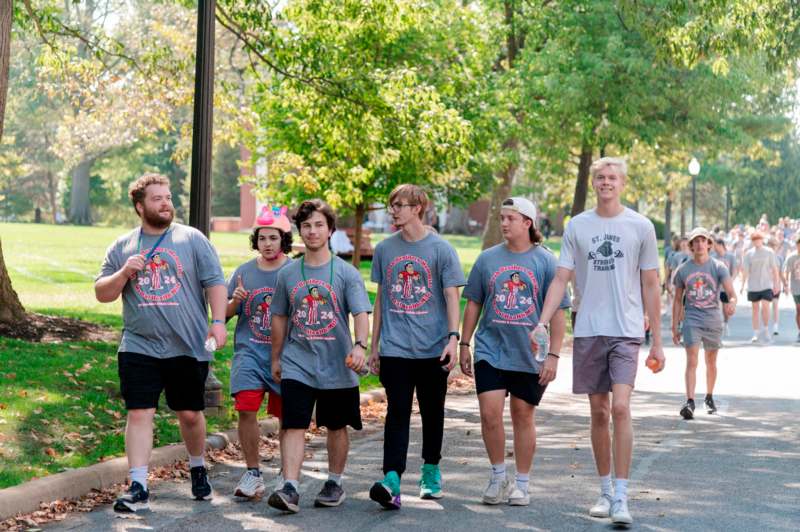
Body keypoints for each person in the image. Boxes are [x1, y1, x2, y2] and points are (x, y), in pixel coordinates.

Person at [536, 157, 664, 526]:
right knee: (599, 412)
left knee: (621, 407)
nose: (606, 182)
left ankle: (622, 496)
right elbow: (561, 279)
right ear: (594, 183)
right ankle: (605, 490)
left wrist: (655, 340)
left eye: (612, 177)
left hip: (625, 329)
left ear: (623, 183)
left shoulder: (640, 226)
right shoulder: (578, 226)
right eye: (600, 178)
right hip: (589, 327)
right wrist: (542, 322)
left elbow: (651, 283)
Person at [95, 173, 227, 513]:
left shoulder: (192, 239)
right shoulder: (123, 246)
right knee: (139, 412)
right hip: (138, 345)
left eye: (168, 197)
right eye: (157, 198)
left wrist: (217, 322)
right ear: (140, 206)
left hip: (187, 345)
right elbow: (102, 293)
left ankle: (197, 465)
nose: (166, 203)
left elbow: (214, 281)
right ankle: (138, 484)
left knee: (190, 414)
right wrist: (124, 272)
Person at [459, 197, 569, 507]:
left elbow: (559, 312)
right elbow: (475, 303)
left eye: (510, 218)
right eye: (502, 218)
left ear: (527, 223)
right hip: (491, 349)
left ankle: (522, 483)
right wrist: (465, 343)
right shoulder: (487, 260)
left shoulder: (546, 262)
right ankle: (497, 476)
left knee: (523, 415)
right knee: (489, 414)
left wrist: (554, 356)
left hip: (530, 353)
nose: (503, 223)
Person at [267, 199, 372, 514]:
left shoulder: (345, 272)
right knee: (293, 424)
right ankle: (290, 487)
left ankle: (334, 481)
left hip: (338, 364)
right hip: (299, 361)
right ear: (299, 231)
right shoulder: (288, 274)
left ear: (329, 230)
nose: (312, 231)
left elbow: (361, 312)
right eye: (306, 226)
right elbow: (280, 318)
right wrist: (276, 358)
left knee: (336, 426)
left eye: (318, 225)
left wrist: (360, 345)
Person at [367, 184, 465, 509]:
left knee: (432, 411)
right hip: (395, 348)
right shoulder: (385, 249)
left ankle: (431, 470)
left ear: (418, 208)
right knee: (396, 412)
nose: (393, 210)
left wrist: (454, 337)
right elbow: (381, 298)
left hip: (433, 348)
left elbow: (453, 295)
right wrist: (373, 345)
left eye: (400, 205)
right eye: (392, 205)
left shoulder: (441, 249)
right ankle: (391, 479)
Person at [225, 205, 294, 499]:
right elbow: (224, 315)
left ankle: (285, 473)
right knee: (246, 409)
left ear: (283, 240)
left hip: (285, 356)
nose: (267, 243)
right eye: (262, 238)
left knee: (287, 419)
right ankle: (253, 472)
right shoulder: (244, 272)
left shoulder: (293, 271)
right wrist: (234, 301)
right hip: (249, 353)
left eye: (273, 238)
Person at [672, 228, 736, 419]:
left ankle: (709, 396)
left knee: (711, 362)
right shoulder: (683, 270)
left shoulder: (718, 267)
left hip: (713, 319)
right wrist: (675, 325)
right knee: (692, 360)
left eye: (703, 240)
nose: (699, 244)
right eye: (695, 241)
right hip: (692, 319)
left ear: (709, 244)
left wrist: (731, 304)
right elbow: (677, 300)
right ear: (690, 246)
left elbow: (731, 294)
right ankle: (689, 401)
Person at [739, 231, 780, 343]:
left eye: (758, 239)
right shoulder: (749, 254)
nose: (757, 241)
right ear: (752, 241)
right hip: (753, 286)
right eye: (754, 240)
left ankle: (766, 329)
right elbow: (745, 271)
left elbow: (775, 269)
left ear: (762, 240)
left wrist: (776, 284)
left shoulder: (769, 252)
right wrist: (742, 285)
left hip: (766, 285)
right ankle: (755, 333)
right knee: (755, 309)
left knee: (766, 307)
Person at [711, 238, 738, 335]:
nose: (714, 248)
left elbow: (735, 270)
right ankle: (719, 325)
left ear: (721, 245)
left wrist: (731, 280)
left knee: (726, 308)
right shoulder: (713, 257)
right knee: (716, 307)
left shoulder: (730, 256)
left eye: (715, 246)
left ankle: (726, 323)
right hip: (716, 287)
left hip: (726, 287)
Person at [768, 237, 787, 336]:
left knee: (775, 305)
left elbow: (780, 273)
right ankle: (765, 326)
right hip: (765, 285)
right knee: (765, 307)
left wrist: (785, 285)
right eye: (771, 245)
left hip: (776, 285)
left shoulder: (779, 258)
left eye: (775, 246)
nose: (774, 247)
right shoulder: (765, 257)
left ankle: (775, 326)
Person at [783, 235, 800, 343]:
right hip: (796, 288)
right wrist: (785, 284)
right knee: (799, 310)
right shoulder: (791, 257)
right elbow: (786, 271)